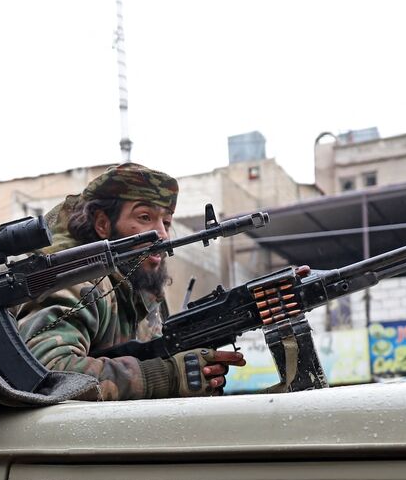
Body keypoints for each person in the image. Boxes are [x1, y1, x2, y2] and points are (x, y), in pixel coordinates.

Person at [15, 163, 245, 400]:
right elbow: (47, 372)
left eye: (166, 223)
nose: (162, 234)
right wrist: (167, 376)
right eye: (145, 217)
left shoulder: (144, 293)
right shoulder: (79, 283)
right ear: (103, 224)